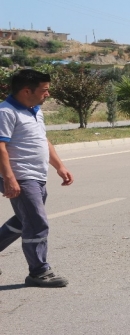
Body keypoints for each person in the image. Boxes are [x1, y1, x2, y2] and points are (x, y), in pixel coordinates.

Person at [0, 69, 74, 288]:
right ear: (26, 90)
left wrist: (59, 166)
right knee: (36, 223)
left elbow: (43, 140)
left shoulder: (35, 110)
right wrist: (9, 179)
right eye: (44, 90)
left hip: (37, 176)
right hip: (21, 176)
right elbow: (0, 148)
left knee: (25, 221)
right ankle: (39, 272)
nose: (48, 94)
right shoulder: (6, 112)